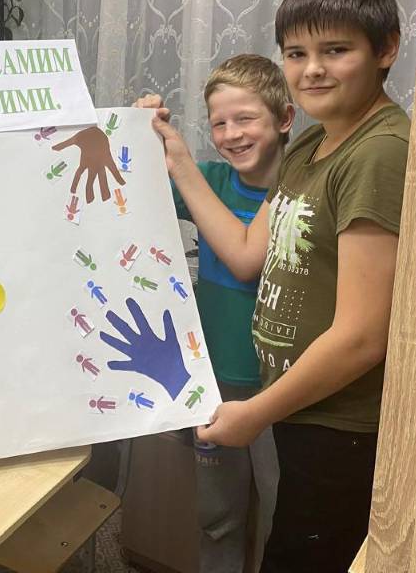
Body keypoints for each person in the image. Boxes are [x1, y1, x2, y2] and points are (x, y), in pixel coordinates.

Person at [141, 0, 409, 572]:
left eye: (335, 50)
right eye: (296, 53)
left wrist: (257, 411)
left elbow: (363, 335)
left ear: (385, 49)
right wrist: (173, 152)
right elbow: (243, 255)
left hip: (334, 421)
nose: (312, 69)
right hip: (292, 408)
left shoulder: (380, 152)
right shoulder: (313, 147)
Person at [166, 54, 292, 572]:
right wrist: (139, 126)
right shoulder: (210, 180)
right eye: (219, 123)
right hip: (214, 382)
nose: (231, 134)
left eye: (245, 119)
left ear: (284, 119)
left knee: (283, 515)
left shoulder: (303, 189)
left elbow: (246, 262)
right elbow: (123, 177)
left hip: (280, 391)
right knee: (216, 515)